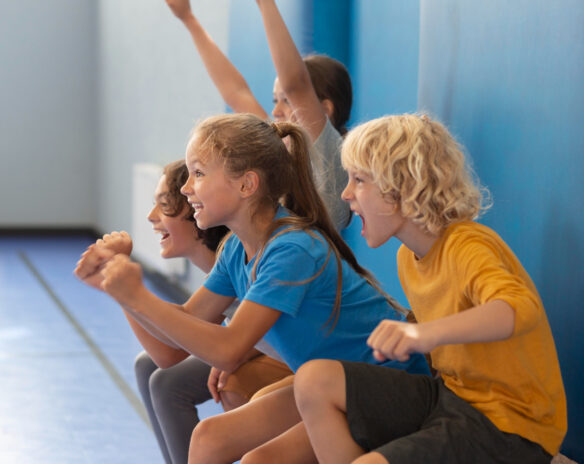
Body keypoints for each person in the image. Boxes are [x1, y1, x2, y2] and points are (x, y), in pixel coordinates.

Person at [81, 113, 429, 464]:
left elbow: (228, 350)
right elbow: (172, 350)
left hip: (387, 385)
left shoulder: (293, 248)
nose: (186, 188)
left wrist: (135, 294)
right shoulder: (235, 247)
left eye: (198, 173)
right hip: (332, 381)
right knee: (209, 437)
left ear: (247, 185)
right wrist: (118, 287)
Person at [294, 114, 567, 463]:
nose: (346, 193)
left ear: (402, 188)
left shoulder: (467, 244)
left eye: (359, 179)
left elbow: (518, 308)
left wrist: (425, 334)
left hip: (512, 425)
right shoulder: (407, 258)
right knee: (314, 380)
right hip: (450, 397)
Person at [75, 160, 292, 464]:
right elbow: (171, 344)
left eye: (164, 206)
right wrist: (120, 288)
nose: (151, 217)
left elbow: (175, 353)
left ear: (195, 211)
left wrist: (127, 291)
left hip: (310, 366)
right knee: (148, 365)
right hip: (272, 353)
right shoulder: (229, 257)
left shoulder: (272, 252)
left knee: (173, 382)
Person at [165, 0, 352, 231]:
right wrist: (189, 20)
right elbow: (236, 94)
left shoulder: (331, 156)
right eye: (275, 100)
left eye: (287, 101)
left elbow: (296, 84)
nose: (276, 111)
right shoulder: (283, 152)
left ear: (324, 109)